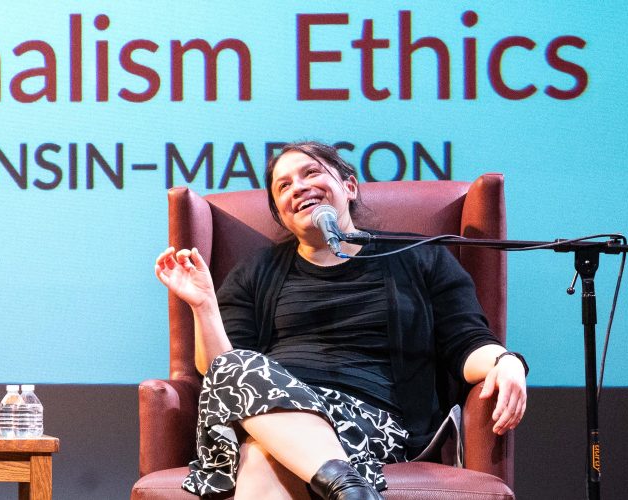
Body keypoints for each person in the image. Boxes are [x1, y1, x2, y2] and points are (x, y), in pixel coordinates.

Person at [153, 141, 528, 500]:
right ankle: (348, 486)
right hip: (269, 411)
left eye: (310, 173)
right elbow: (222, 371)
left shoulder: (418, 257)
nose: (297, 188)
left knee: (261, 460)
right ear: (281, 213)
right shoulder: (257, 272)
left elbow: (465, 341)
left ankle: (343, 483)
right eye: (283, 186)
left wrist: (503, 360)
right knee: (240, 374)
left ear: (348, 186)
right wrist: (203, 305)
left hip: (370, 421)